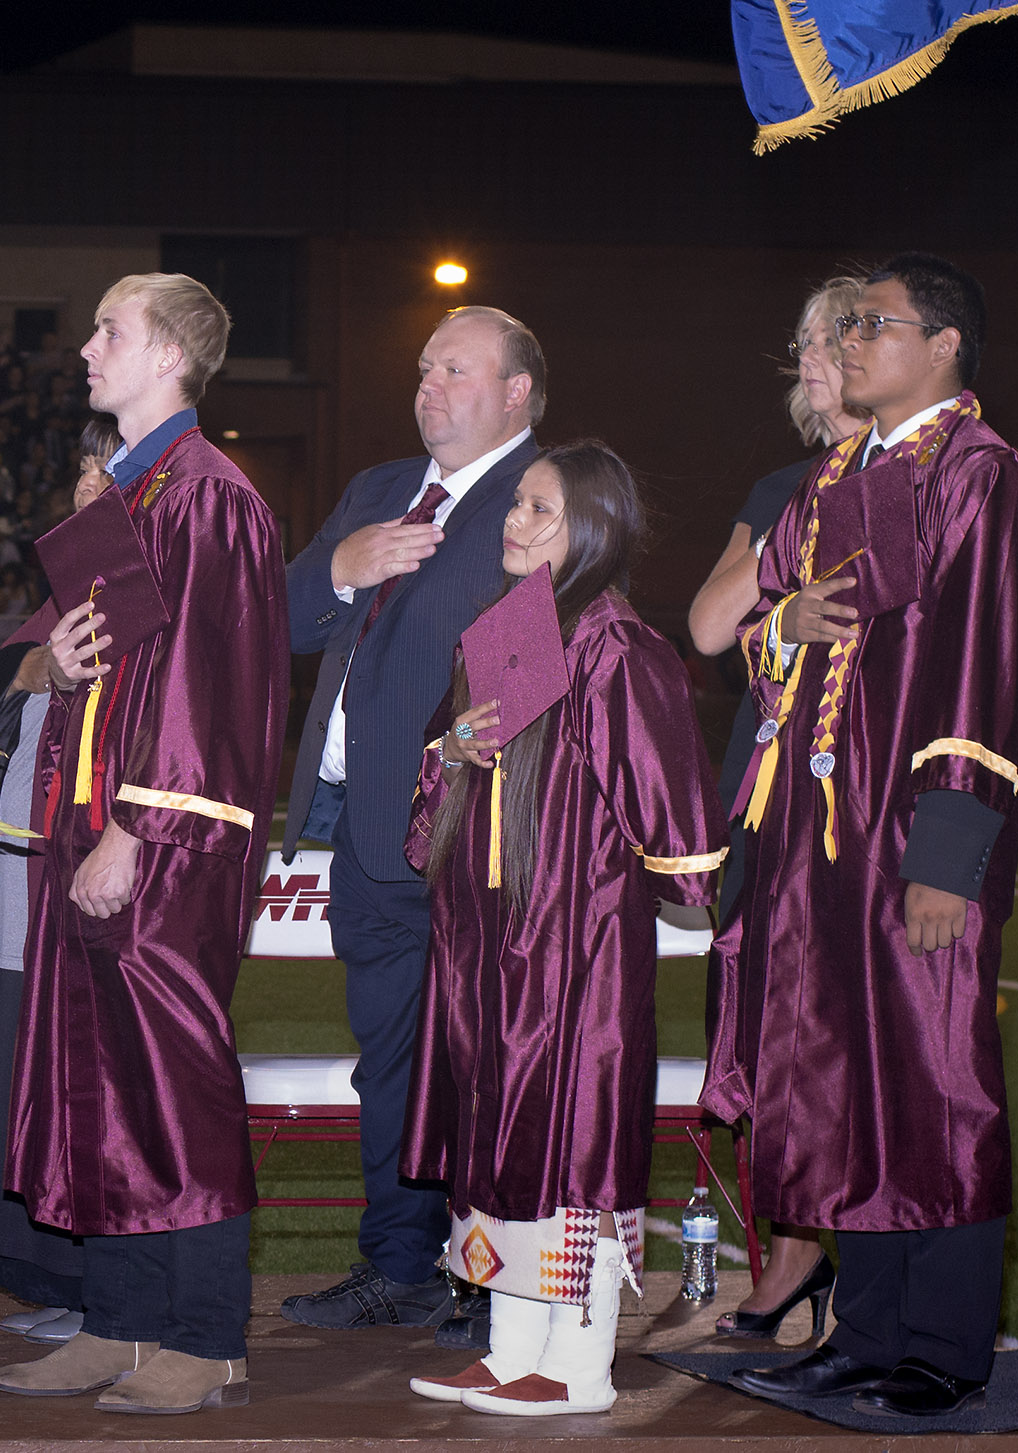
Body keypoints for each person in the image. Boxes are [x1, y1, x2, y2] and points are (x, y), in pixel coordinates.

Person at [719, 252, 1018, 1420]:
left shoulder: (978, 472)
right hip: (823, 828)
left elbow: (982, 666)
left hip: (914, 832)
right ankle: (863, 1331)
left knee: (936, 1078)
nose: (850, 342)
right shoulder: (840, 472)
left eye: (875, 324)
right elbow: (766, 639)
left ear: (943, 342)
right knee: (843, 1078)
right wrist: (785, 623)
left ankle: (944, 1348)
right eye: (846, 325)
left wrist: (947, 855)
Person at [0, 274, 282, 1415]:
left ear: (168, 353)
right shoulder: (131, 488)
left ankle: (206, 1336)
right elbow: (114, 667)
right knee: (95, 1078)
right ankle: (117, 1320)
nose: (84, 349)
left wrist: (135, 825)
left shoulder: (208, 495)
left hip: (160, 835)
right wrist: (57, 662)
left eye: (108, 329)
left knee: (172, 1081)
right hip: (88, 820)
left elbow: (211, 686)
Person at [400, 441, 723, 1416]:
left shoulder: (616, 647)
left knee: (571, 1138)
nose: (517, 520)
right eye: (518, 505)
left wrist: (689, 880)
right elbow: (436, 821)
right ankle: (511, 1349)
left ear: (591, 528)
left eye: (540, 508)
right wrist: (453, 746)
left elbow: (669, 804)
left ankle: (580, 1365)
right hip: (487, 953)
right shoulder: (507, 633)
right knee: (497, 1134)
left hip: (574, 956)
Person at [275, 306, 546, 1338]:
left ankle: (494, 1280)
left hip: (475, 842)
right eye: (424, 367)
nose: (429, 384)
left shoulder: (541, 498)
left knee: (486, 1063)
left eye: (457, 371)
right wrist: (343, 564)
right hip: (366, 832)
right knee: (388, 1061)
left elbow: (538, 679)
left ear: (517, 391)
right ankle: (400, 1264)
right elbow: (284, 613)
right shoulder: (379, 488)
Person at [683, 276, 872, 1336]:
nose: (800, 362)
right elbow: (713, 623)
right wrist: (785, 605)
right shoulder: (783, 484)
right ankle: (795, 1246)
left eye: (818, 342)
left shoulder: (924, 478)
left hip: (861, 804)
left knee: (853, 1035)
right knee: (758, 1029)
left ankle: (853, 1253)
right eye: (797, 341)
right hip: (765, 804)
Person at [0, 413, 123, 1353]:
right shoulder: (64, 597)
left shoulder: (143, 601)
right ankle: (58, 1276)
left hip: (79, 899)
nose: (89, 488)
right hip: (16, 898)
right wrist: (34, 668)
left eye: (111, 471)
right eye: (83, 470)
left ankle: (102, 1294)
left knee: (76, 1091)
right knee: (20, 1081)